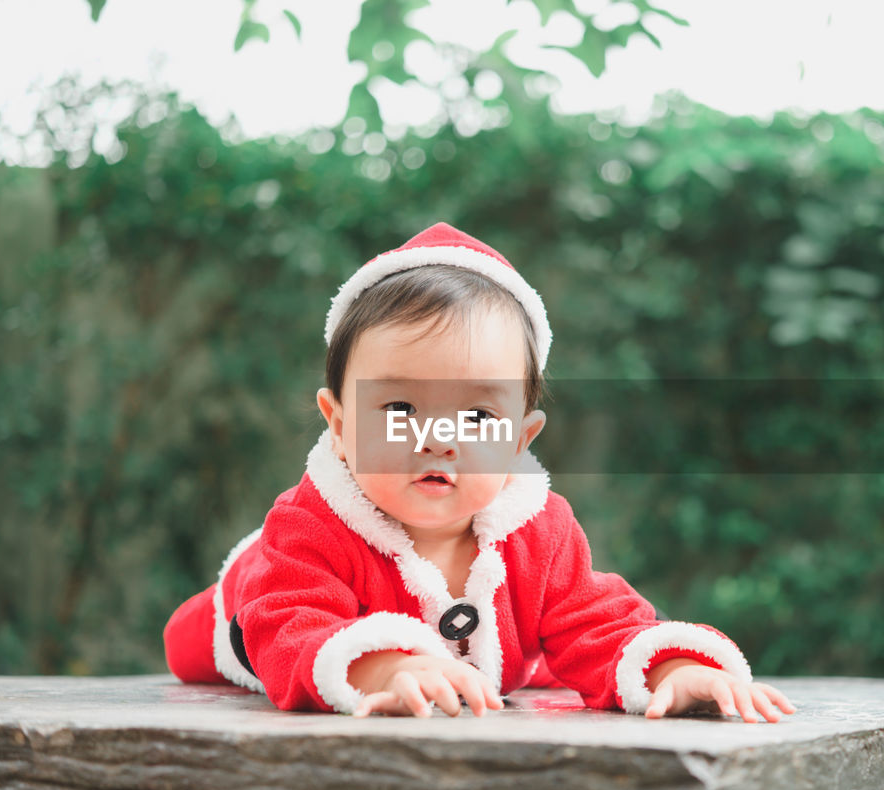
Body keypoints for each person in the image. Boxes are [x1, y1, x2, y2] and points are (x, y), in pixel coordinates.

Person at [162, 223, 797, 722]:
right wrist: (379, 668)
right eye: (401, 408)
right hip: (252, 596)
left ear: (521, 441)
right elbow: (289, 621)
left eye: (476, 416)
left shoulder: (540, 532)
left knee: (553, 652)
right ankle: (220, 605)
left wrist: (671, 671)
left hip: (474, 649)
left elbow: (598, 622)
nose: (439, 439)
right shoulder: (312, 523)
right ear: (339, 424)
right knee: (197, 642)